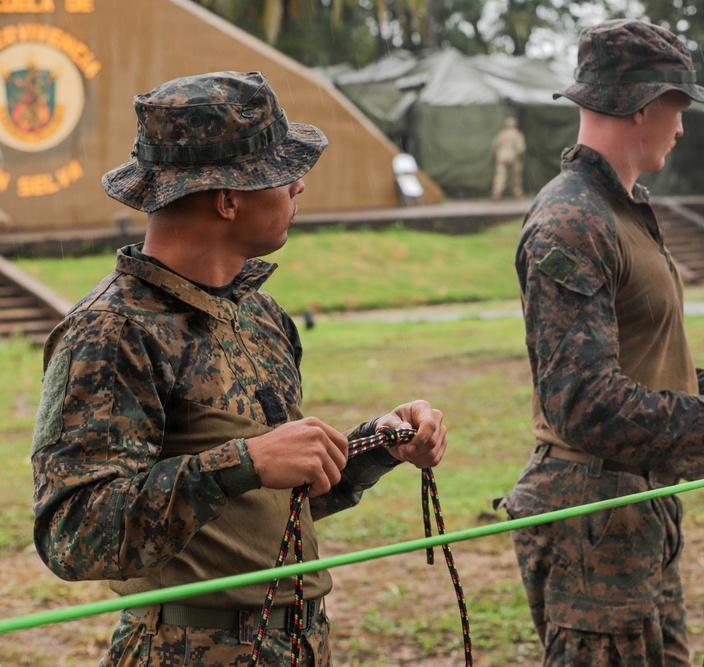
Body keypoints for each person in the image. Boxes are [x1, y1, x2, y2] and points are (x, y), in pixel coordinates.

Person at [30, 71, 448, 667]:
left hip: (298, 643)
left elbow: (266, 506)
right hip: (184, 651)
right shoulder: (112, 332)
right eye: (281, 174)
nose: (299, 186)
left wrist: (379, 445)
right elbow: (74, 536)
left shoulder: (258, 314)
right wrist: (243, 461)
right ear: (228, 198)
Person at [500, 20, 704, 666]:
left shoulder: (620, 209)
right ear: (642, 105)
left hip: (633, 516)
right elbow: (582, 399)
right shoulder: (572, 221)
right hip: (592, 530)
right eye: (678, 106)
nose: (682, 126)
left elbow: (632, 359)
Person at [491, 116, 526, 200]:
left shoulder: (502, 133)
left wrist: (496, 155)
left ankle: (497, 192)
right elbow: (521, 148)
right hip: (513, 156)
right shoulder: (517, 134)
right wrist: (520, 156)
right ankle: (518, 194)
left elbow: (494, 145)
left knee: (500, 175)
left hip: (501, 156)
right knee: (516, 176)